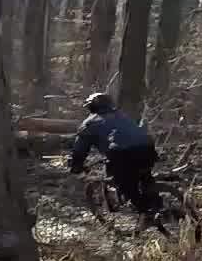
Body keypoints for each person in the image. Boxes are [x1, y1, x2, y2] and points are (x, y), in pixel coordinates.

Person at [69, 93, 162, 222]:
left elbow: (79, 150)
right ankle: (160, 207)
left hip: (123, 154)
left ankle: (146, 214)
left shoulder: (89, 123)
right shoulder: (122, 115)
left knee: (126, 185)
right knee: (145, 176)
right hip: (148, 149)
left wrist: (76, 166)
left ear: (91, 108)